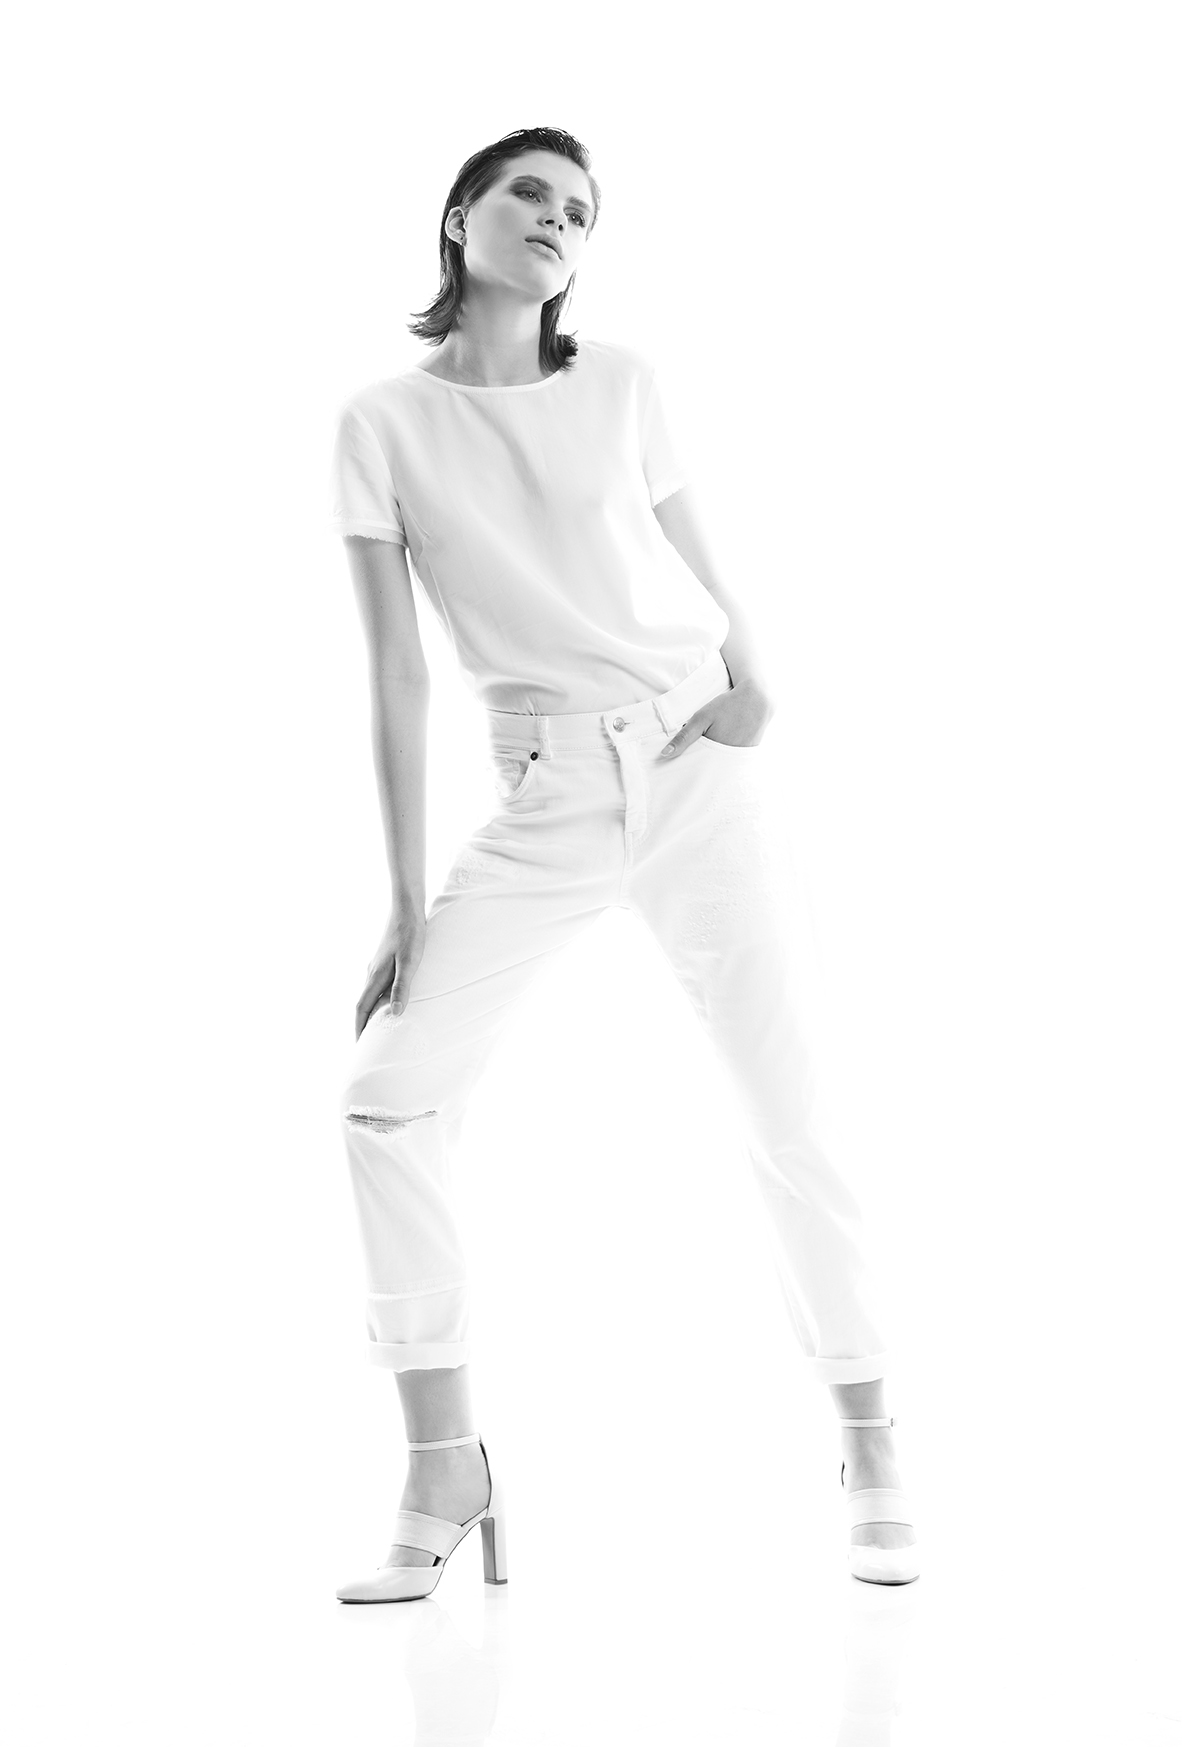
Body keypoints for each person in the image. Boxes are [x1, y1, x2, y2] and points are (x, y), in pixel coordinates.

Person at [328, 126, 919, 1601]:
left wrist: (756, 673)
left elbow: (695, 553)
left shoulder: (625, 383)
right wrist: (401, 897)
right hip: (541, 789)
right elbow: (396, 673)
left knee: (789, 1103)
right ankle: (443, 1465)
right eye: (528, 194)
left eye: (580, 212)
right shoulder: (382, 422)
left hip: (692, 765)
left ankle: (871, 1445)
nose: (557, 220)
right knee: (385, 1100)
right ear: (460, 215)